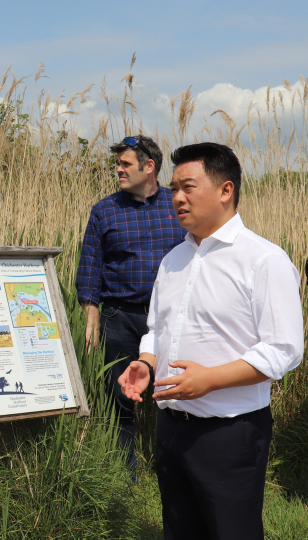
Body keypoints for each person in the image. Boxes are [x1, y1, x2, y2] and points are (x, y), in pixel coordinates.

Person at [118, 142, 303, 539]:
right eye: (173, 189)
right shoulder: (173, 260)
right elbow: (156, 328)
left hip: (229, 433)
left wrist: (210, 380)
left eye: (188, 186)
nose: (177, 198)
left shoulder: (264, 261)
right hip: (170, 427)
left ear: (226, 190)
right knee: (180, 530)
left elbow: (284, 349)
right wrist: (147, 363)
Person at [76, 135, 185, 471]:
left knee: (175, 394)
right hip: (121, 318)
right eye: (118, 164)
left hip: (171, 320)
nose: (118, 170)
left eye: (125, 164)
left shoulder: (178, 206)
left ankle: (177, 469)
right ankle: (125, 474)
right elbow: (90, 270)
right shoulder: (105, 210)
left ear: (148, 167)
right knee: (121, 396)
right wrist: (91, 320)